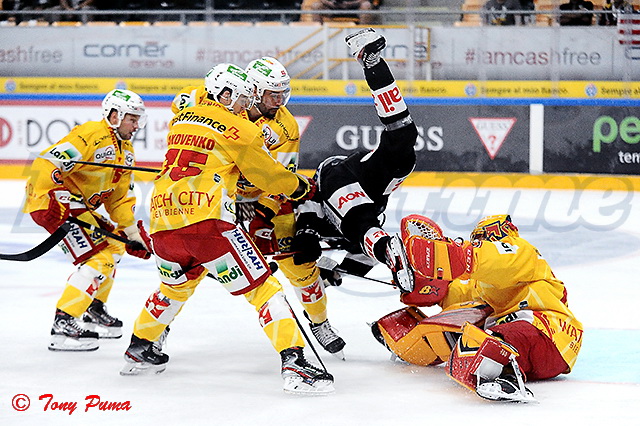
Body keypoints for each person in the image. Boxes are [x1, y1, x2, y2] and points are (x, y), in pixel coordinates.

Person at [121, 64, 334, 395]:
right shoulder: (241, 129)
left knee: (173, 287)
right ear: (225, 94)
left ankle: (140, 347)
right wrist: (301, 188)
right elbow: (271, 177)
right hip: (208, 223)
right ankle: (295, 362)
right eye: (241, 99)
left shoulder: (181, 119)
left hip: (162, 221)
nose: (244, 107)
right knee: (264, 288)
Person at [371, 214, 583, 402]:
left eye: (479, 238)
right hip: (533, 352)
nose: (476, 242)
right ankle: (411, 342)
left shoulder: (521, 251)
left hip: (550, 334)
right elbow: (462, 296)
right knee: (461, 327)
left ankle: (504, 376)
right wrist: (435, 287)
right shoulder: (485, 283)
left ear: (495, 232)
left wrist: (456, 256)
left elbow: (493, 259)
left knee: (491, 337)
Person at [23, 89, 152, 352]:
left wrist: (131, 233)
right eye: (132, 119)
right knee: (100, 256)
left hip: (76, 206)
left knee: (114, 247)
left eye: (139, 119)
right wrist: (50, 196)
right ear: (114, 115)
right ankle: (64, 321)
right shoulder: (91, 134)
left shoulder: (124, 151)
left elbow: (118, 200)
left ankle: (93, 307)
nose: (137, 126)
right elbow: (45, 164)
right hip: (55, 203)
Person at [291, 28, 418, 294]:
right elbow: (367, 252)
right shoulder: (365, 233)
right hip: (371, 193)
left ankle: (369, 63)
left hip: (334, 177)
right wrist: (335, 271)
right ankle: (372, 61)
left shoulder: (339, 221)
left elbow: (308, 201)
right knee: (404, 138)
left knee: (362, 221)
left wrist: (305, 233)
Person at [239, 57, 348, 359]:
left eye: (282, 93)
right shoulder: (230, 111)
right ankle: (158, 332)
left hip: (269, 204)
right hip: (225, 201)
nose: (279, 100)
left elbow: (283, 180)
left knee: (303, 270)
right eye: (273, 94)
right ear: (252, 90)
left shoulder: (286, 126)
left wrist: (263, 216)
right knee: (193, 265)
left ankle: (319, 322)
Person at [300, 0, 376, 25]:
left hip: (354, 8)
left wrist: (350, 4)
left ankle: (364, 34)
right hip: (333, 8)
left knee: (366, 5)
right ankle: (319, 32)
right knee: (316, 5)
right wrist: (330, 3)